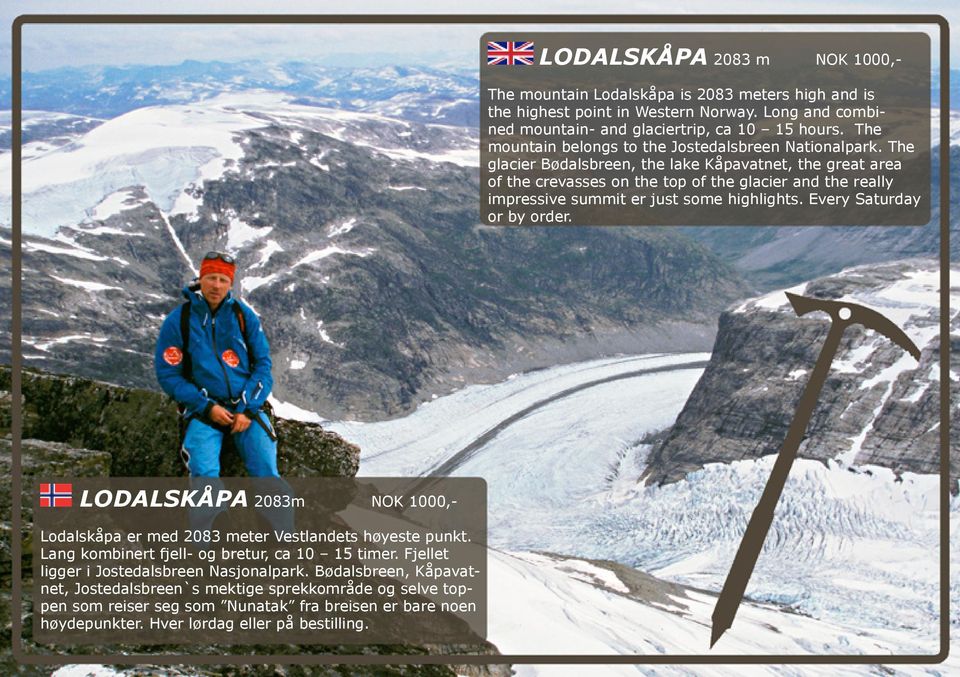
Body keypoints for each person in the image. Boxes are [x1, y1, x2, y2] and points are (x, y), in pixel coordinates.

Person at [154, 251, 279, 478]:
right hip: (204, 410)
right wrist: (206, 406)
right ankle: (212, 515)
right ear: (200, 279)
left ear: (230, 284)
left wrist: (248, 408)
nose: (216, 286)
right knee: (204, 474)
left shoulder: (243, 315)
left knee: (267, 474)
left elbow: (262, 365)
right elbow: (169, 374)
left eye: (224, 280)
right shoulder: (179, 320)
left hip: (246, 409)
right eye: (211, 277)